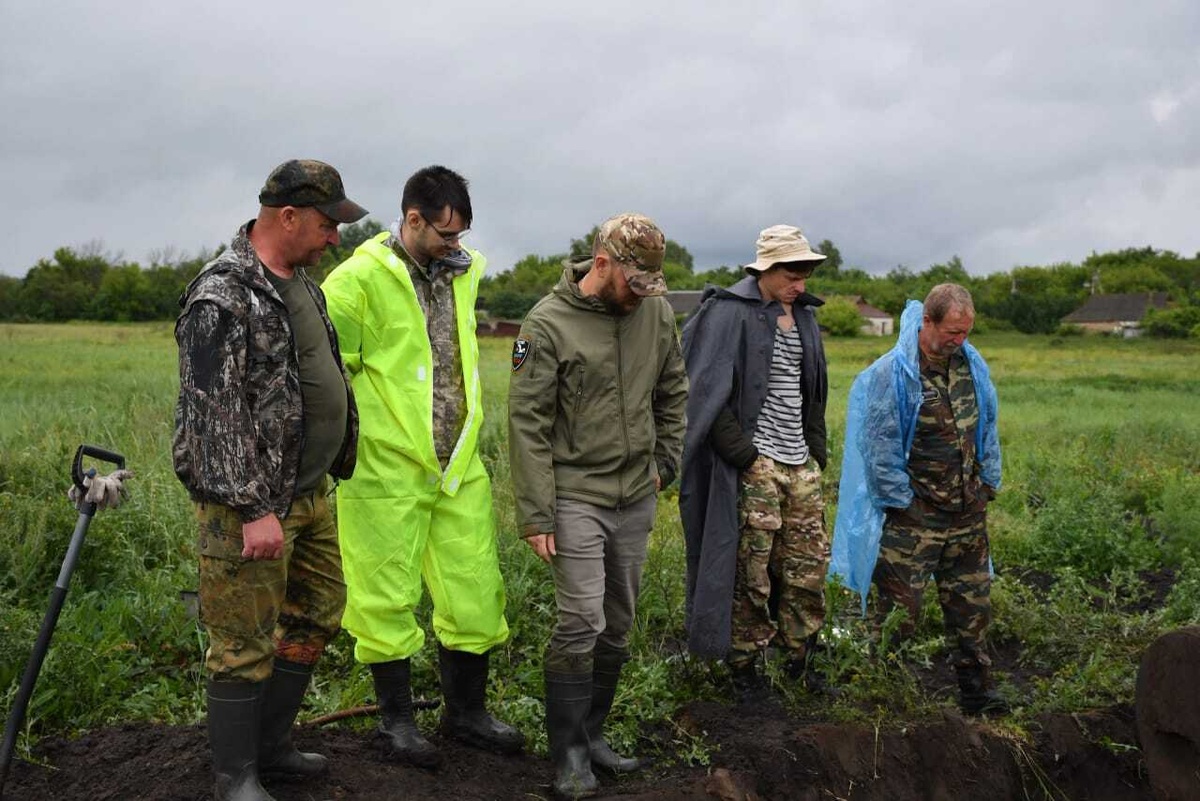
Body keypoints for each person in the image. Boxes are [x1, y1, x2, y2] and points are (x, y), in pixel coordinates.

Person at [173, 158, 365, 801]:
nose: (334, 237)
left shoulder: (303, 284)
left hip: (308, 494)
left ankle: (272, 748)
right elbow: (211, 416)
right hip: (247, 507)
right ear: (287, 217)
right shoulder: (221, 295)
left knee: (318, 611)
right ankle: (236, 777)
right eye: (326, 224)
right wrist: (254, 509)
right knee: (241, 640)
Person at [321, 166, 523, 768]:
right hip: (384, 468)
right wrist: (348, 447)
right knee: (383, 594)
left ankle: (466, 714)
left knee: (475, 588)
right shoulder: (355, 280)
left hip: (457, 464)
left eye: (460, 234)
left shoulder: (463, 272)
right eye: (444, 234)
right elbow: (327, 374)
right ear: (412, 218)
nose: (454, 244)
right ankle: (397, 724)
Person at [508, 213, 688, 799]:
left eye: (650, 285)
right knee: (581, 619)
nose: (641, 297)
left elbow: (673, 389)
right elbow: (528, 423)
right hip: (575, 494)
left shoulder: (655, 313)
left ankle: (594, 734)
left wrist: (666, 461)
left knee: (618, 622)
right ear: (602, 263)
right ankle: (568, 755)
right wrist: (537, 512)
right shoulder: (547, 324)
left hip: (635, 493)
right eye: (633, 284)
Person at [831, 283, 1009, 716]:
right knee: (898, 615)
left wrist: (987, 486)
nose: (959, 341)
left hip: (967, 515)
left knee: (972, 609)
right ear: (927, 321)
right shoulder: (891, 375)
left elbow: (987, 426)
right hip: (914, 521)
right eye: (952, 332)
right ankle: (881, 698)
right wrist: (904, 504)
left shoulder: (970, 367)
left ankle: (977, 693)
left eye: (966, 333)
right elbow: (879, 450)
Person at [679, 225, 831, 698]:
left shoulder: (804, 317)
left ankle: (800, 660)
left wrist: (816, 452)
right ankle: (744, 668)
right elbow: (703, 391)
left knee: (806, 567)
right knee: (751, 570)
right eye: (791, 274)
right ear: (765, 269)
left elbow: (813, 391)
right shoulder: (728, 311)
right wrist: (747, 456)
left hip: (800, 463)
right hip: (757, 464)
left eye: (805, 275)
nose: (799, 284)